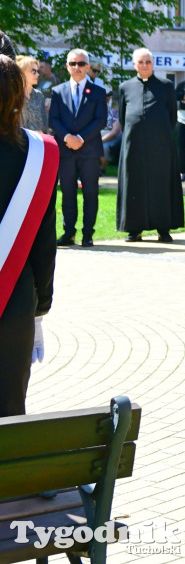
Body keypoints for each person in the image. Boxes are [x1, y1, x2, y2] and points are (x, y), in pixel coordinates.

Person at [0, 54, 57, 417]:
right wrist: (40, 309)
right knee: (9, 407)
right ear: (21, 97)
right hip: (14, 300)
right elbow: (44, 245)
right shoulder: (39, 154)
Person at [115, 48, 185, 243]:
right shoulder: (125, 87)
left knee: (161, 184)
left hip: (160, 146)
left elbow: (172, 116)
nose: (145, 65)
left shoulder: (166, 85)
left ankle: (163, 229)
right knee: (134, 183)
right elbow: (123, 117)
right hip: (134, 146)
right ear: (134, 64)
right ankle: (134, 229)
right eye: (141, 62)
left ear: (153, 64)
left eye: (148, 62)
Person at [48, 49, 107, 247]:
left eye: (81, 64)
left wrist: (80, 138)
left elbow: (100, 120)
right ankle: (68, 233)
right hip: (65, 151)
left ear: (88, 67)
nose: (77, 68)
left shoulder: (98, 92)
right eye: (73, 64)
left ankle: (88, 234)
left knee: (90, 193)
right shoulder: (58, 91)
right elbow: (53, 119)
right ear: (67, 67)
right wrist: (67, 137)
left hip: (89, 151)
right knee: (67, 193)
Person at [15, 56, 48, 132]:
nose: (37, 74)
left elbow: (44, 125)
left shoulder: (39, 95)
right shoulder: (13, 95)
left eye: (37, 71)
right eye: (33, 71)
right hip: (20, 141)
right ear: (21, 72)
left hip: (38, 140)